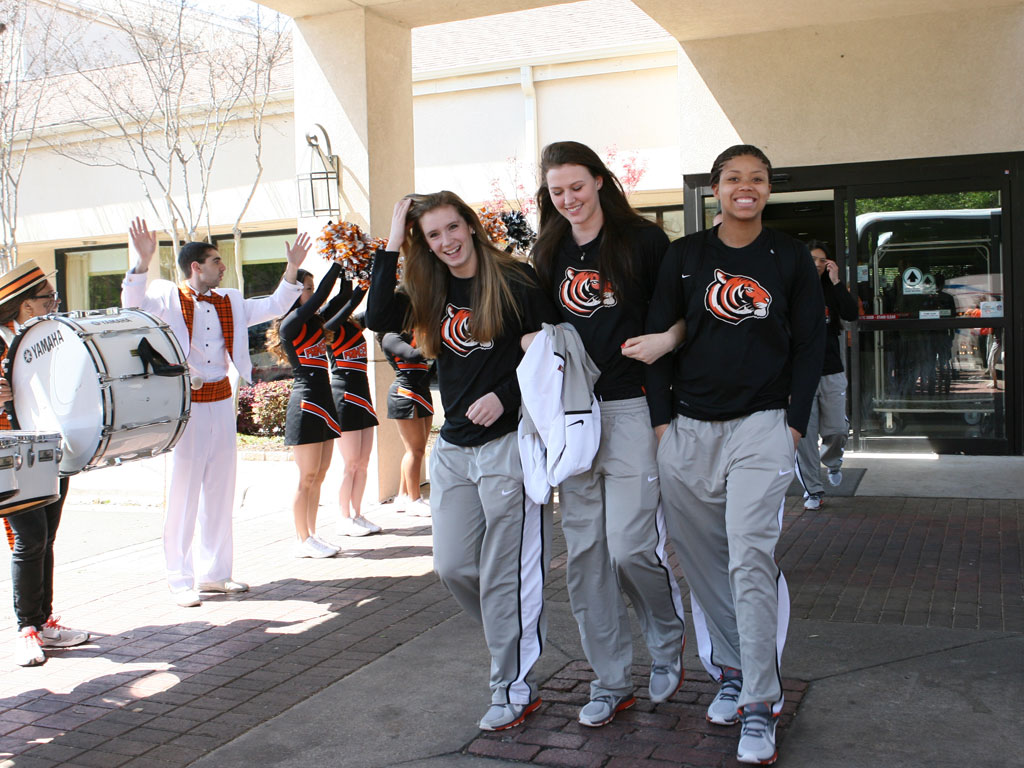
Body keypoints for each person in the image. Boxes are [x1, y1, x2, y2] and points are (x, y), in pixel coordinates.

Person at [645, 145, 825, 765]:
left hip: (763, 426)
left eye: (757, 180)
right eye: (733, 179)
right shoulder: (686, 255)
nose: (745, 188)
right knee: (703, 562)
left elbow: (810, 344)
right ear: (715, 190)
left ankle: (758, 702)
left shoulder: (789, 255)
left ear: (768, 190)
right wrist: (663, 427)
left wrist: (795, 427)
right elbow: (661, 339)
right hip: (688, 432)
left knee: (749, 556)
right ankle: (730, 670)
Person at [365, 191, 558, 732]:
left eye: (453, 228)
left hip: (508, 446)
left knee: (504, 576)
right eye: (432, 235)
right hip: (453, 450)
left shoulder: (514, 281)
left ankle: (511, 684)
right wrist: (392, 236)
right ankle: (514, 635)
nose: (446, 242)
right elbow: (378, 317)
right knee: (453, 566)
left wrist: (506, 395)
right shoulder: (430, 288)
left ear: (470, 226)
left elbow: (549, 362)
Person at [528, 140, 686, 728]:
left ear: (599, 180)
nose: (567, 199)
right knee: (587, 557)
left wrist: (665, 341)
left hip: (630, 410)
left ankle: (665, 636)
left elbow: (683, 308)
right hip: (573, 419)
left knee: (628, 545)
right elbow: (535, 327)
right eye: (556, 191)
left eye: (576, 186)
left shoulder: (643, 242)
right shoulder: (548, 251)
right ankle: (612, 678)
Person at [123, 218, 307, 607]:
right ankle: (179, 577)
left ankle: (215, 574)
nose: (222, 267)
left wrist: (292, 269)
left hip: (222, 400)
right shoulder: (167, 296)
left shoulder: (232, 300)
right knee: (183, 490)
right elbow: (132, 306)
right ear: (196, 267)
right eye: (215, 261)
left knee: (221, 489)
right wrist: (142, 261)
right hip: (186, 405)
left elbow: (275, 305)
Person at [0, 261, 90, 666]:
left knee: (46, 538)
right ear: (24, 306)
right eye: (45, 298)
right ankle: (26, 628)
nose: (53, 303)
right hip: (9, 453)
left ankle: (43, 620)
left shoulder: (50, 342)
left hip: (48, 447)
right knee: (29, 538)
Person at [266, 263, 344, 556]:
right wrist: (337, 261)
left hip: (324, 402)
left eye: (312, 288)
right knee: (307, 475)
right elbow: (324, 295)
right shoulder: (291, 325)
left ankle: (312, 534)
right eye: (307, 289)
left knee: (321, 473)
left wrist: (356, 274)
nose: (313, 294)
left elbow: (342, 302)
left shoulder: (315, 324)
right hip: (306, 403)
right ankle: (301, 539)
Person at [796, 241, 858, 511]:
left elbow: (851, 313)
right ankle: (813, 490)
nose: (817, 264)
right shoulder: (792, 288)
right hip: (799, 374)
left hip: (831, 369)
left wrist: (836, 282)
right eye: (812, 259)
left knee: (837, 430)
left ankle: (833, 462)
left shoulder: (831, 289)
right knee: (804, 438)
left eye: (822, 260)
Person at [322, 281, 381, 536]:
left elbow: (377, 309)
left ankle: (357, 513)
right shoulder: (328, 329)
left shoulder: (356, 324)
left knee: (364, 462)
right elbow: (350, 302)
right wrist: (360, 287)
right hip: (343, 396)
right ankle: (342, 516)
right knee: (351, 463)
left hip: (363, 396)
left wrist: (377, 278)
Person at [378, 330, 433, 517]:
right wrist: (439, 338)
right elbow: (411, 354)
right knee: (415, 450)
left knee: (417, 449)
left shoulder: (415, 333)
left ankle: (402, 495)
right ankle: (414, 500)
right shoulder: (390, 336)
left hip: (422, 392)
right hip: (405, 393)